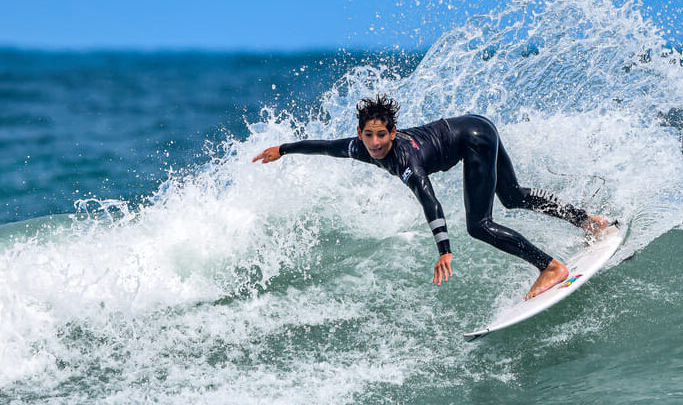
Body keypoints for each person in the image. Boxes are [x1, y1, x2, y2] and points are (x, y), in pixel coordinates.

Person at [253, 95, 610, 299]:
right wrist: (283, 149)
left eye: (381, 135)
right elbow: (326, 147)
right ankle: (589, 221)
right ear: (360, 134)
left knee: (480, 226)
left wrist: (444, 250)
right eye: (368, 136)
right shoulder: (359, 147)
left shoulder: (405, 159)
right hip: (478, 125)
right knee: (513, 195)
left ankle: (550, 266)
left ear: (393, 133)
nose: (375, 143)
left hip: (475, 138)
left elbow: (429, 200)